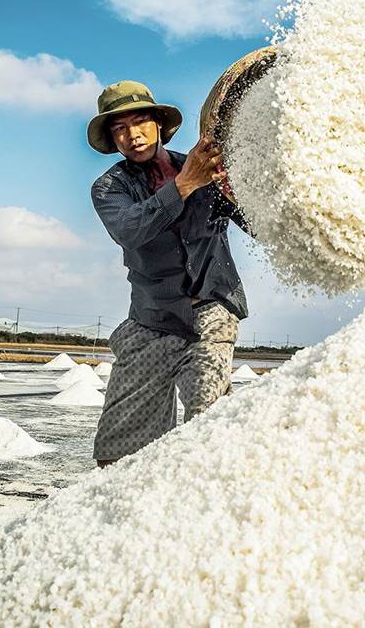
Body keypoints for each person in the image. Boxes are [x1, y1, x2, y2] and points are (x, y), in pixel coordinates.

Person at [87, 80, 249, 467]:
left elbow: (255, 219)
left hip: (211, 314)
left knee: (206, 423)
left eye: (140, 122)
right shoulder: (110, 188)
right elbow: (130, 229)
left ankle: (206, 507)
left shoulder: (209, 172)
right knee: (117, 451)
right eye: (120, 128)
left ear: (159, 124)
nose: (132, 135)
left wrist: (241, 179)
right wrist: (185, 183)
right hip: (152, 322)